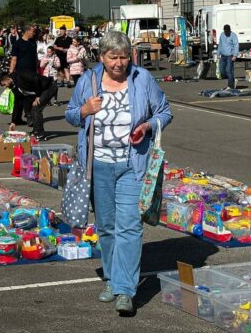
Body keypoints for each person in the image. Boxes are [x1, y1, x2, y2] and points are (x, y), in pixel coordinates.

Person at [65, 30, 172, 316]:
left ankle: (125, 289)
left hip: (132, 164)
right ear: (102, 57)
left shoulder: (142, 79)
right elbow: (71, 113)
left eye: (124, 57)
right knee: (107, 227)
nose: (119, 63)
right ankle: (112, 279)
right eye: (113, 57)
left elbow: (164, 111)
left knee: (129, 226)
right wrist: (85, 109)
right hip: (97, 164)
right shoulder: (88, 81)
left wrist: (147, 126)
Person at [0, 71, 58, 140]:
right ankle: (35, 131)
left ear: (7, 79)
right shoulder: (14, 87)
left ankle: (40, 133)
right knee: (33, 110)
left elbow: (36, 79)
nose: (5, 87)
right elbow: (17, 104)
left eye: (4, 84)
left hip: (49, 87)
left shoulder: (21, 75)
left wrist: (38, 95)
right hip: (41, 91)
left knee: (36, 108)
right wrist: (14, 122)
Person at [10, 24, 38, 126]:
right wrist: (11, 73)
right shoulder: (17, 44)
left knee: (29, 95)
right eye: (33, 31)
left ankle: (19, 118)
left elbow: (35, 58)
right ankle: (24, 117)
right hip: (20, 74)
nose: (34, 33)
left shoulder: (33, 43)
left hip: (32, 74)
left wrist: (37, 71)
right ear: (27, 31)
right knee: (20, 97)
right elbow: (14, 59)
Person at [217, 24, 239, 90]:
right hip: (223, 55)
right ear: (224, 30)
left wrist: (235, 55)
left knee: (229, 70)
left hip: (230, 55)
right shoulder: (222, 35)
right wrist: (218, 53)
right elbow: (220, 44)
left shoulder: (233, 35)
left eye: (228, 31)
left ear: (230, 30)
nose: (227, 32)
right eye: (225, 31)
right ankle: (232, 80)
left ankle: (230, 86)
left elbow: (236, 45)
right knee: (222, 70)